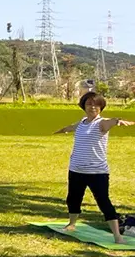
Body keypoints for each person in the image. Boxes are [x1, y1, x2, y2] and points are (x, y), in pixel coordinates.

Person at [55, 91, 132, 245]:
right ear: (83, 105)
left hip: (97, 172)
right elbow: (71, 127)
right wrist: (62, 130)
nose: (93, 107)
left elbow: (111, 122)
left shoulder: (101, 123)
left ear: (101, 107)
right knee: (73, 198)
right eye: (89, 104)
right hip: (76, 169)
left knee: (104, 202)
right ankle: (71, 224)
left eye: (96, 104)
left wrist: (118, 121)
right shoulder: (82, 122)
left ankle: (117, 236)